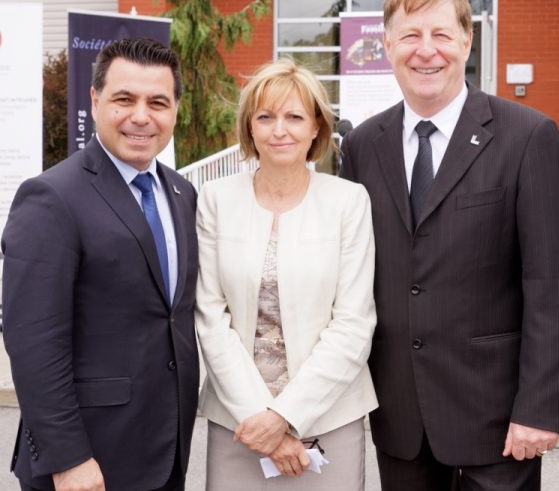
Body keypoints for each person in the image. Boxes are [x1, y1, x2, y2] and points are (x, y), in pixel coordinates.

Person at [339, 0, 559, 491]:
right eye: (409, 36)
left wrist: (541, 408)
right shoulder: (363, 145)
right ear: (386, 45)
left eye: (442, 35)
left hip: (497, 419)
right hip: (400, 416)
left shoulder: (527, 136)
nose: (426, 51)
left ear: (467, 43)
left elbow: (554, 287)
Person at [1, 37, 199, 491]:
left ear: (174, 111)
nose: (141, 116)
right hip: (85, 463)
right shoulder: (51, 197)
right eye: (124, 99)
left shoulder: (181, 194)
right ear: (94, 100)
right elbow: (33, 342)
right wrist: (69, 457)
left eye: (158, 102)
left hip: (165, 452)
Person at [195, 58, 377, 491]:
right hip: (240, 422)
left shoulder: (348, 201)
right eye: (266, 117)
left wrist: (285, 417)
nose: (280, 130)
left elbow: (353, 323)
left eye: (294, 116)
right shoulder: (216, 199)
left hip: (328, 418)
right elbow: (210, 317)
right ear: (250, 128)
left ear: (316, 127)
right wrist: (259, 417)